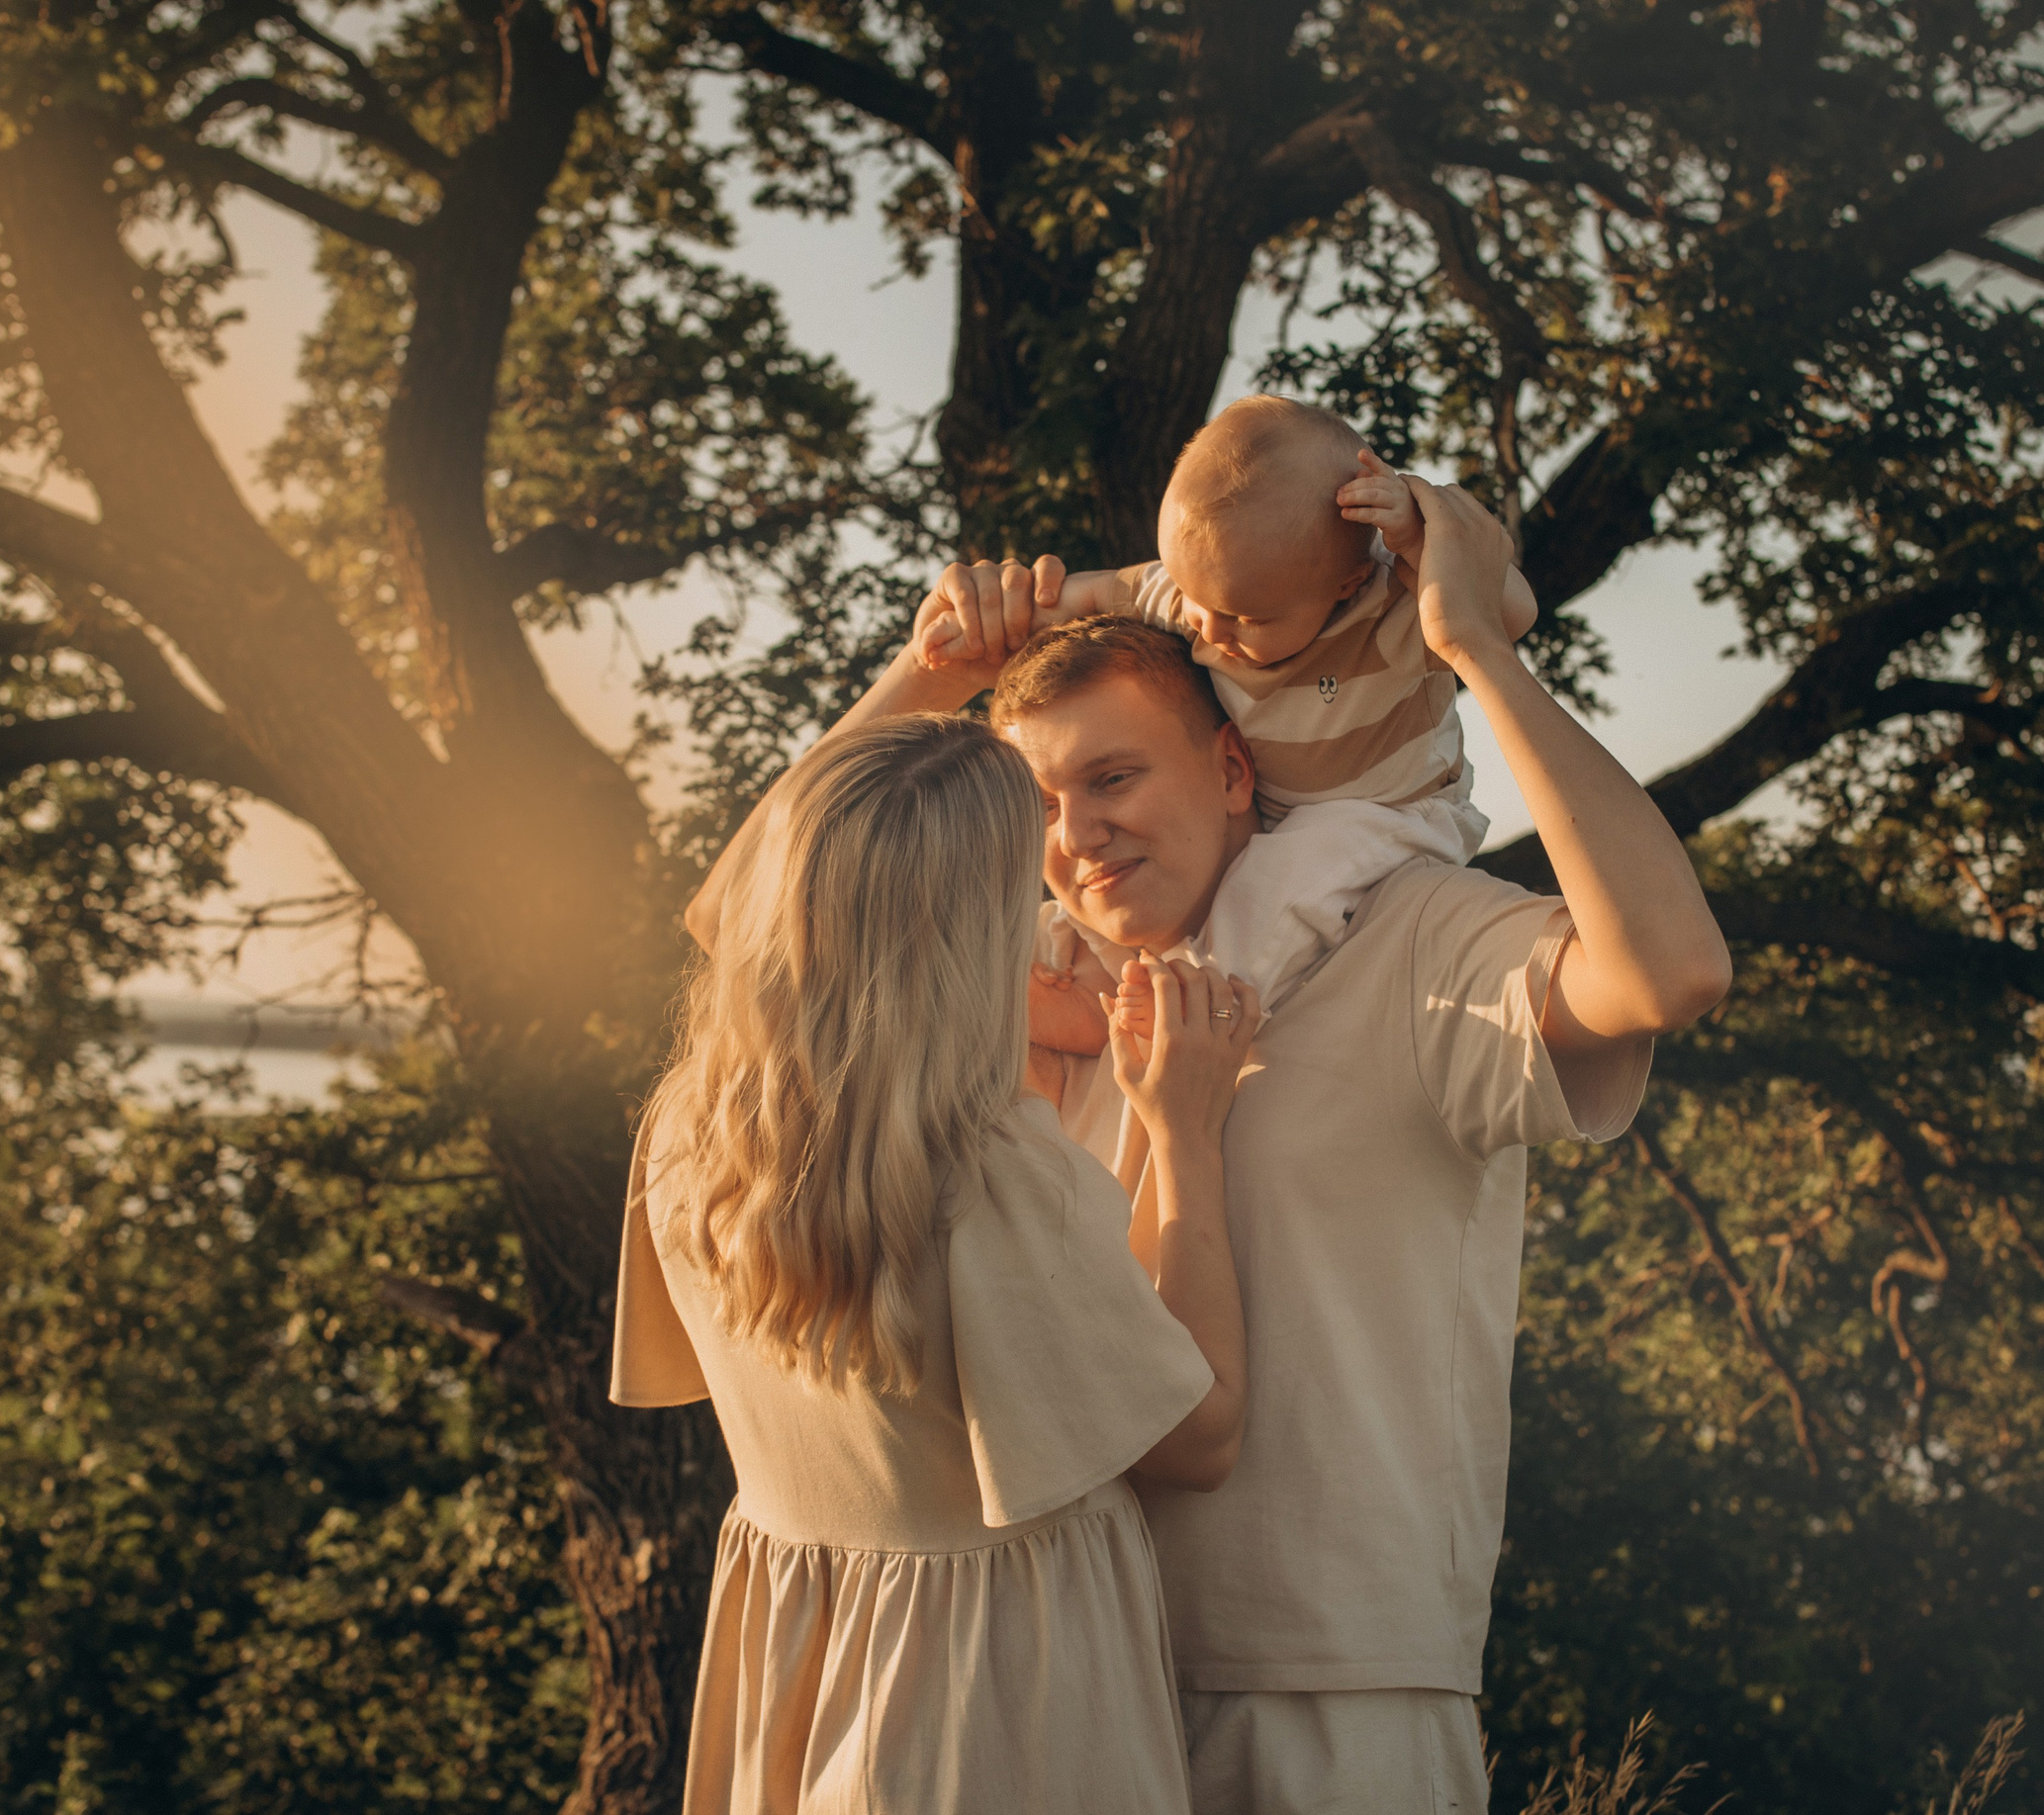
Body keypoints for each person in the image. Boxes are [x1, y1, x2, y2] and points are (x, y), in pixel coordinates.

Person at [712, 478, 1730, 1813]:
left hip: (1328, 1691)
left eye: (1115, 773)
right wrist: (926, 673)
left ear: (1233, 766)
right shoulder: (1036, 990)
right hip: (1062, 1676)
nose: (1078, 836)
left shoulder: (1414, 931)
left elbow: (1670, 971)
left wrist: (1479, 646)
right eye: (1042, 807)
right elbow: (754, 940)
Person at [615, 712, 1262, 1813]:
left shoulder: (688, 1131)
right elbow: (1200, 1438)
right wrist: (1182, 1136)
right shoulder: (987, 1174)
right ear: (971, 927)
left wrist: (929, 675)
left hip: (799, 1663)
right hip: (997, 1698)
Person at [917, 395, 1544, 1052]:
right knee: (1204, 879)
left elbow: (1511, 614)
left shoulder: (1392, 604)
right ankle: (1087, 989)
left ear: (1345, 582)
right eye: (1194, 598)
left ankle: (1193, 1011)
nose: (1208, 630)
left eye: (1246, 618)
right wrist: (989, 622)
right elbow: (1095, 595)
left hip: (1391, 807)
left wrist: (1429, 533)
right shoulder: (1203, 594)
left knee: (1282, 885)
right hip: (1280, 808)